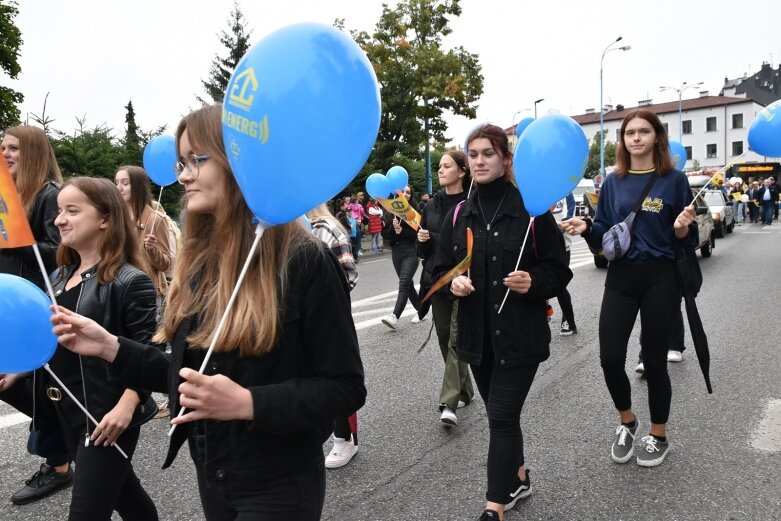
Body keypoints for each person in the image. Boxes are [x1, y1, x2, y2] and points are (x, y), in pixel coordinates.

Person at [51, 104, 366, 520]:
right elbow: (184, 376)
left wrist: (250, 402)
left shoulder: (304, 261)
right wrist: (112, 348)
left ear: (240, 160)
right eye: (181, 163)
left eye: (197, 160)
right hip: (213, 472)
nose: (183, 176)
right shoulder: (198, 264)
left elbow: (345, 387)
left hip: (280, 482)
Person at [433, 124, 572, 520]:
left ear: (506, 160)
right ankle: (520, 476)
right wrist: (452, 283)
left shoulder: (531, 210)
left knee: (502, 417)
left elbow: (558, 270)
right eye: (473, 154)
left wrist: (534, 282)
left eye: (487, 153)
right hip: (478, 340)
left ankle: (496, 505)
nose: (478, 161)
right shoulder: (460, 214)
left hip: (520, 337)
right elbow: (438, 271)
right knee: (502, 417)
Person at [7, 177, 160, 520]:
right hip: (67, 411)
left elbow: (149, 352)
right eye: (59, 210)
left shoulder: (129, 281)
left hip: (104, 415)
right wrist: (18, 371)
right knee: (125, 494)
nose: (59, 219)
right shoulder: (60, 275)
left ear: (105, 218)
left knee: (87, 512)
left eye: (72, 210)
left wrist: (127, 405)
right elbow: (53, 338)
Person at [560, 109, 697, 469]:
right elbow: (604, 231)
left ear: (656, 137)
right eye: (629, 133)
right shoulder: (614, 182)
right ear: (622, 141)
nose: (635, 138)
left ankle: (659, 434)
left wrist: (682, 228)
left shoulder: (674, 180)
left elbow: (689, 239)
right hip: (621, 277)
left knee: (654, 362)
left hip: (660, 278)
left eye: (643, 132)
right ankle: (627, 421)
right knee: (608, 359)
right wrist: (585, 227)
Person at [0, 125, 73, 506]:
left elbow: (61, 251)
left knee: (36, 383)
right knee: (24, 385)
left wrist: (20, 240)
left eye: (14, 148)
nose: (5, 153)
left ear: (32, 152)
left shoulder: (49, 195)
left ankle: (59, 462)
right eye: (3, 147)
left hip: (37, 306)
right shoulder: (9, 196)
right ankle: (62, 438)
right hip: (10, 306)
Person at [417, 150, 474, 426]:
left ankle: (448, 401)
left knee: (455, 338)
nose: (440, 170)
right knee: (443, 337)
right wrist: (422, 238)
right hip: (436, 279)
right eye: (439, 166)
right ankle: (466, 389)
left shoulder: (473, 202)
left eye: (446, 166)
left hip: (464, 281)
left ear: (462, 171)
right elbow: (423, 251)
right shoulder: (430, 206)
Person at [307, 203, 361, 469]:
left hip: (327, 316)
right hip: (297, 318)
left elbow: (349, 274)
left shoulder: (325, 229)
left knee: (334, 374)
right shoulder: (278, 225)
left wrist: (325, 301)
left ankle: (345, 438)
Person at [114, 165, 173, 300]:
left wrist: (152, 249)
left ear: (138, 186)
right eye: (116, 183)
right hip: (118, 290)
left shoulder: (155, 219)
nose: (119, 188)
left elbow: (165, 264)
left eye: (125, 183)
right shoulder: (113, 218)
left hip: (146, 292)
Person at [380, 184, 422, 329]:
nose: (405, 194)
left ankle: (394, 316)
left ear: (411, 195)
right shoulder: (389, 212)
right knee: (408, 285)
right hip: (396, 252)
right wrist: (393, 229)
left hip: (411, 251)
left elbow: (416, 235)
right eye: (402, 191)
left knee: (404, 282)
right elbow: (384, 233)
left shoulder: (414, 213)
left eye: (408, 192)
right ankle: (421, 311)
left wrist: (401, 231)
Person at [555, 192, 578, 336]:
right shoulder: (538, 187)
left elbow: (570, 215)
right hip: (538, 244)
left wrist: (554, 226)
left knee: (559, 285)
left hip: (562, 246)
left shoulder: (565, 191)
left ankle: (569, 321)